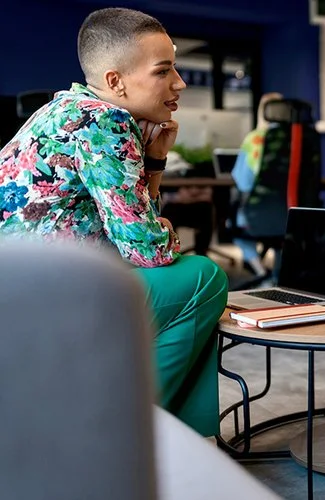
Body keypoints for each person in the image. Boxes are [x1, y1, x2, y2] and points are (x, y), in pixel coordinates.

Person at [0, 7, 228, 437]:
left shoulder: (64, 106)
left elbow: (132, 233)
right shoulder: (106, 120)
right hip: (45, 302)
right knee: (205, 277)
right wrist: (159, 220)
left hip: (19, 294)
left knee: (188, 288)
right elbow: (148, 250)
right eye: (164, 71)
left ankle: (175, 440)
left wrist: (154, 159)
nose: (179, 82)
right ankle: (113, 431)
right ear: (114, 82)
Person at [231, 92, 284, 279]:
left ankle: (262, 273)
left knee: (234, 222)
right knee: (283, 234)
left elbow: (243, 182)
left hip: (259, 214)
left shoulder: (255, 139)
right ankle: (281, 274)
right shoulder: (298, 141)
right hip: (293, 213)